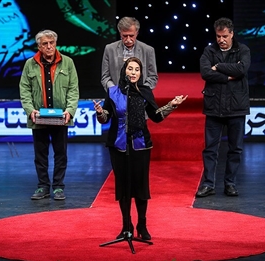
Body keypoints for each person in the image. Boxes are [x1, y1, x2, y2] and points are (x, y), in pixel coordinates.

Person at [94, 57, 187, 240]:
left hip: (141, 146)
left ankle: (142, 225)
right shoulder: (113, 92)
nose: (134, 72)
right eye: (130, 69)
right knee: (123, 188)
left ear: (140, 73)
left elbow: (156, 117)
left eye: (137, 69)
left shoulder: (145, 92)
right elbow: (106, 117)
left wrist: (171, 106)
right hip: (119, 146)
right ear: (124, 71)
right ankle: (126, 226)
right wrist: (100, 113)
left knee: (141, 187)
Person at [19, 29, 79, 200]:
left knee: (61, 153)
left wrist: (70, 110)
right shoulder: (30, 64)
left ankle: (58, 187)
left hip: (61, 117)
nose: (49, 46)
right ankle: (43, 186)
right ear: (39, 46)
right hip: (39, 117)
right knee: (40, 154)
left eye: (52, 43)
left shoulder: (68, 63)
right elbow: (25, 90)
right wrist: (30, 111)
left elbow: (74, 90)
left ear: (56, 43)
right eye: (45, 44)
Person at [196, 17, 251, 198]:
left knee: (235, 148)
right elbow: (205, 73)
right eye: (218, 36)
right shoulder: (209, 50)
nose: (221, 40)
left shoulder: (243, 50)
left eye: (225, 36)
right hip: (214, 107)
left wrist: (218, 66)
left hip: (236, 107)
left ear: (232, 34)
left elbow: (242, 70)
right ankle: (208, 184)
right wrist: (227, 75)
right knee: (210, 149)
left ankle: (230, 183)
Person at [101, 16, 158, 92]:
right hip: (115, 96)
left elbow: (152, 77)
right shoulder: (109, 49)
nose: (128, 40)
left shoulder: (148, 50)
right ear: (120, 33)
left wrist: (141, 91)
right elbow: (105, 77)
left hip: (141, 96)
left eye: (131, 36)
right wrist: (114, 91)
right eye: (124, 36)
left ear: (137, 33)